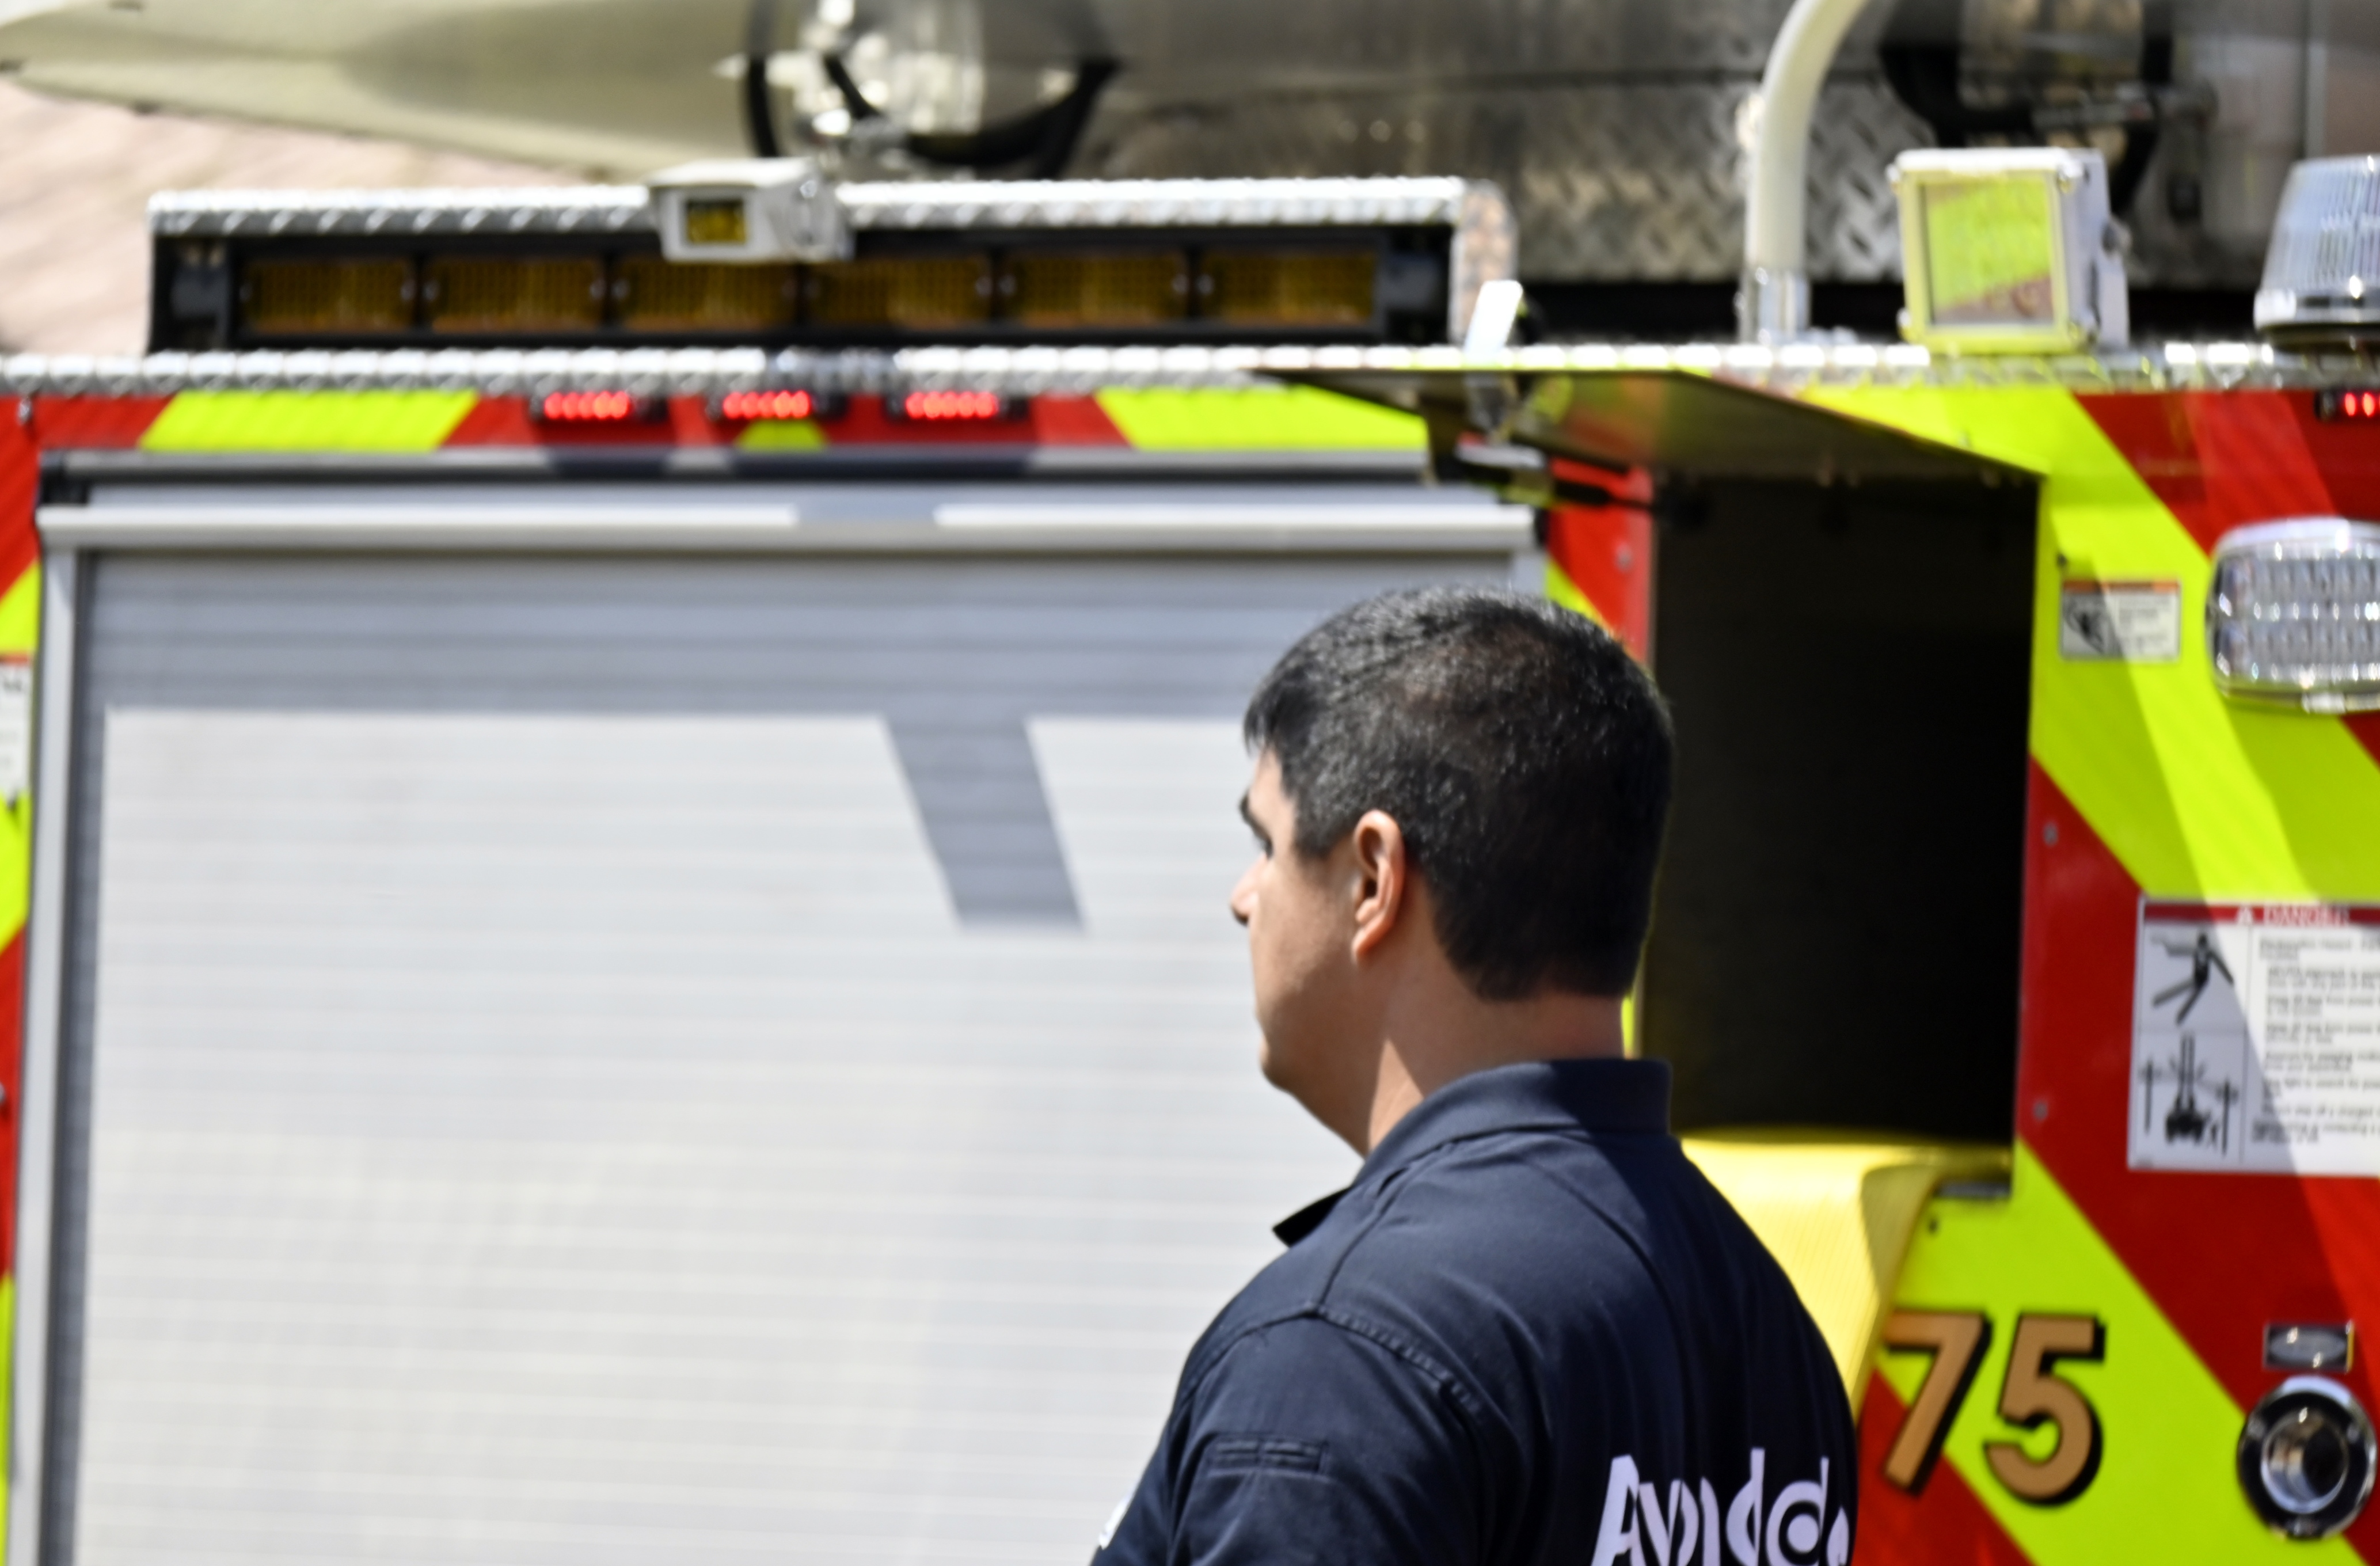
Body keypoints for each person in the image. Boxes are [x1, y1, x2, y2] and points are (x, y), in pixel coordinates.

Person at [1092, 587, 1857, 1566]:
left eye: (1266, 844)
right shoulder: (1770, 1326)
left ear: (1373, 879)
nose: (1243, 898)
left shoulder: (1345, 1356)